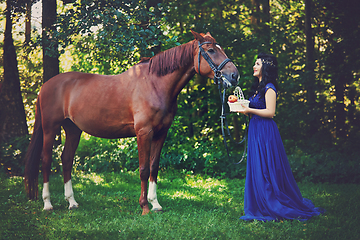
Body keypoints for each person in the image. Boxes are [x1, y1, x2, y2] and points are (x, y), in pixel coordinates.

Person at [237, 53, 324, 222]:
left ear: (266, 67)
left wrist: (249, 111)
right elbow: (253, 108)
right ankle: (258, 203)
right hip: (255, 129)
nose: (253, 66)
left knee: (267, 168)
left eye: (257, 64)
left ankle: (272, 203)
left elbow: (270, 112)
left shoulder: (269, 87)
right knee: (257, 166)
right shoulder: (256, 88)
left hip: (265, 131)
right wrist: (241, 107)